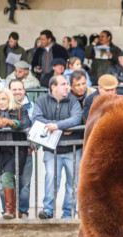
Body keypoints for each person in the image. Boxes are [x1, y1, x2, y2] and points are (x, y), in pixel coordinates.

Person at [33, 75, 83, 219]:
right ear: (53, 87)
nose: (67, 86)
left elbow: (76, 118)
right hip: (51, 149)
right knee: (50, 179)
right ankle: (48, 210)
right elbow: (36, 119)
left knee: (73, 182)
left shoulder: (73, 101)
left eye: (67, 83)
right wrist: (62, 127)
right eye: (63, 84)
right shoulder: (41, 100)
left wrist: (55, 126)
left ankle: (68, 212)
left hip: (72, 149)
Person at [0, 88, 31, 219]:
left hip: (17, 150)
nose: (1, 102)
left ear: (9, 99)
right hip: (1, 151)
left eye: (4, 99)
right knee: (3, 180)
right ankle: (9, 211)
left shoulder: (20, 109)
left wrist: (12, 123)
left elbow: (25, 123)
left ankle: (10, 211)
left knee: (8, 178)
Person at [8, 79, 34, 218]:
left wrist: (32, 145)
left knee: (25, 184)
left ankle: (23, 212)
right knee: (6, 183)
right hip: (8, 150)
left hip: (27, 150)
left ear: (24, 90)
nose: (17, 92)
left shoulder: (32, 106)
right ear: (10, 90)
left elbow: (36, 127)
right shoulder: (4, 105)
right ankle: (9, 211)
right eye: (14, 89)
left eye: (20, 89)